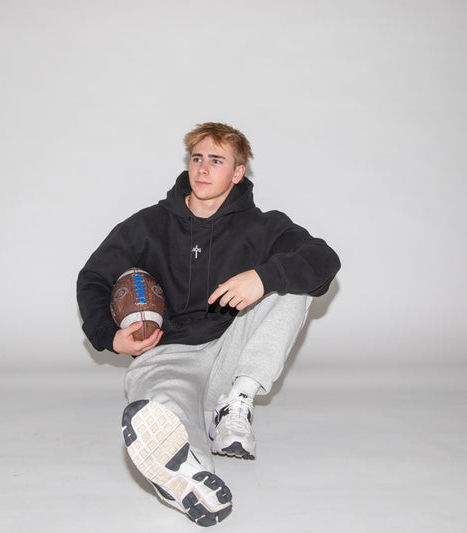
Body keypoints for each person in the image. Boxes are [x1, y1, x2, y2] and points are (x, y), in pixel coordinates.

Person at [77, 122, 340, 526]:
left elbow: (324, 259)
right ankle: (192, 476)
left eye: (216, 161)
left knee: (294, 283)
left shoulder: (262, 227)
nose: (202, 168)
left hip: (231, 356)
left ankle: (235, 406)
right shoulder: (148, 225)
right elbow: (93, 277)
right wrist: (109, 336)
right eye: (197, 158)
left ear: (237, 173)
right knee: (160, 414)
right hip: (167, 353)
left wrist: (263, 277)